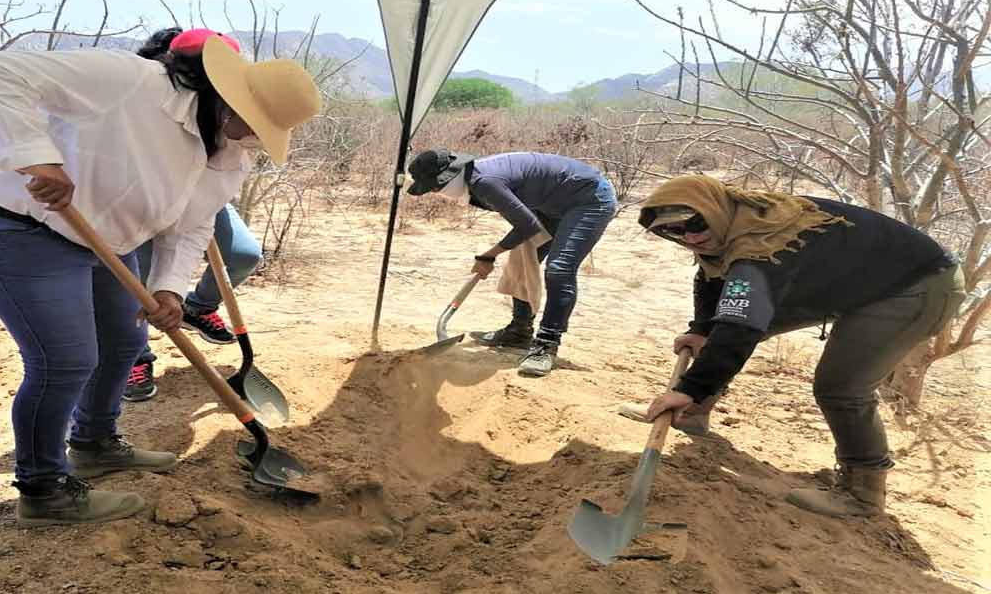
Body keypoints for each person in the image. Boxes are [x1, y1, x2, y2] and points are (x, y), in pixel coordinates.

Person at [0, 28, 321, 527]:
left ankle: (95, 443)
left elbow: (193, 226)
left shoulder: (230, 154)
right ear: (225, 100)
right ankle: (43, 490)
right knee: (65, 362)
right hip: (16, 226)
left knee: (124, 342)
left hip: (102, 241)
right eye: (251, 121)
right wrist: (40, 158)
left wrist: (169, 288)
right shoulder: (134, 82)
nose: (252, 135)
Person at [633, 175, 964, 518]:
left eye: (694, 223)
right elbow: (711, 278)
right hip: (857, 279)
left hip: (916, 285)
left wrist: (690, 387)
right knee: (727, 330)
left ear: (712, 209)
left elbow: (740, 325)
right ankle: (692, 415)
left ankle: (862, 493)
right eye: (672, 231)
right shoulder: (731, 223)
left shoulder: (760, 242)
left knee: (841, 387)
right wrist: (702, 330)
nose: (689, 236)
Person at [122, 29, 264, 403]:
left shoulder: (226, 96)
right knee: (137, 285)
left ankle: (198, 307)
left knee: (244, 255)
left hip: (203, 192)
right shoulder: (147, 95)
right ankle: (135, 357)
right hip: (146, 200)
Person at [406, 149, 617, 376]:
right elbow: (526, 224)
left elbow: (527, 226)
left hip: (589, 199)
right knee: (523, 255)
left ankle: (546, 345)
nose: (437, 193)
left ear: (447, 179)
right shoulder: (474, 177)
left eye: (435, 188)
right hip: (553, 203)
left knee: (559, 269)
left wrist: (489, 255)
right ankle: (519, 332)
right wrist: (493, 254)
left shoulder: (484, 181)